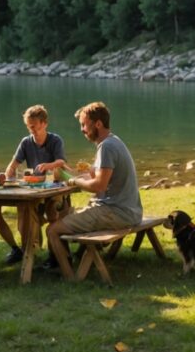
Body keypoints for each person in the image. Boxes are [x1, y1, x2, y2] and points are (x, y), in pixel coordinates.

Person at [45, 101, 142, 276]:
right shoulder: (113, 141)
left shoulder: (106, 147)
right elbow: (99, 177)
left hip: (117, 212)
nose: (82, 129)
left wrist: (74, 181)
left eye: (84, 124)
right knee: (68, 214)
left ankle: (69, 274)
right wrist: (72, 174)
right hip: (129, 210)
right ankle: (73, 259)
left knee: (52, 229)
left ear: (98, 124)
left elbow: (99, 185)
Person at [0, 104, 72, 265]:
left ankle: (54, 255)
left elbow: (61, 161)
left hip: (54, 187)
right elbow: (13, 165)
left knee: (52, 210)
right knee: (20, 209)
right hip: (34, 188)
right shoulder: (26, 142)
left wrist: (48, 166)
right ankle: (25, 249)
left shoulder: (55, 140)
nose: (31, 130)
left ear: (44, 124)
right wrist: (6, 177)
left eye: (33, 126)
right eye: (28, 126)